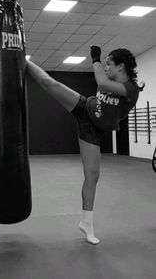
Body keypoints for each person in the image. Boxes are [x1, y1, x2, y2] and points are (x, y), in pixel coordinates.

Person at [26, 45, 145, 245]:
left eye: (109, 65)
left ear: (121, 67)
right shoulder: (111, 78)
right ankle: (23, 60)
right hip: (84, 107)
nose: (106, 68)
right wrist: (99, 62)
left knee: (92, 176)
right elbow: (103, 81)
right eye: (104, 65)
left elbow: (103, 83)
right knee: (49, 82)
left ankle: (86, 223)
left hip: (93, 131)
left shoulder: (131, 89)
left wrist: (96, 59)